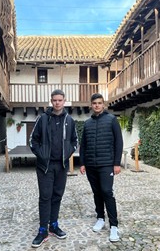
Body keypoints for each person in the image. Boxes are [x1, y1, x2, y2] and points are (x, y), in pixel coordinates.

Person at [29, 89, 78, 248]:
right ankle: (43, 229)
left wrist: (68, 153)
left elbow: (74, 141)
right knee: (45, 196)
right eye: (55, 100)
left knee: (57, 195)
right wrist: (42, 155)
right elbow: (33, 141)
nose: (57, 103)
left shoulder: (69, 120)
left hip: (61, 166)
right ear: (51, 101)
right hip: (45, 166)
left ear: (64, 101)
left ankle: (54, 225)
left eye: (60, 100)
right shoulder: (42, 119)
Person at [79, 93, 123, 242]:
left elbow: (119, 142)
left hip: (106, 164)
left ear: (103, 105)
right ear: (91, 105)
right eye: (94, 103)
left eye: (99, 103)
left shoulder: (111, 120)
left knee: (107, 192)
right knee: (96, 192)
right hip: (91, 165)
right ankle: (100, 218)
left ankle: (114, 226)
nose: (97, 105)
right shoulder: (87, 123)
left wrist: (117, 163)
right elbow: (83, 145)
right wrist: (83, 163)